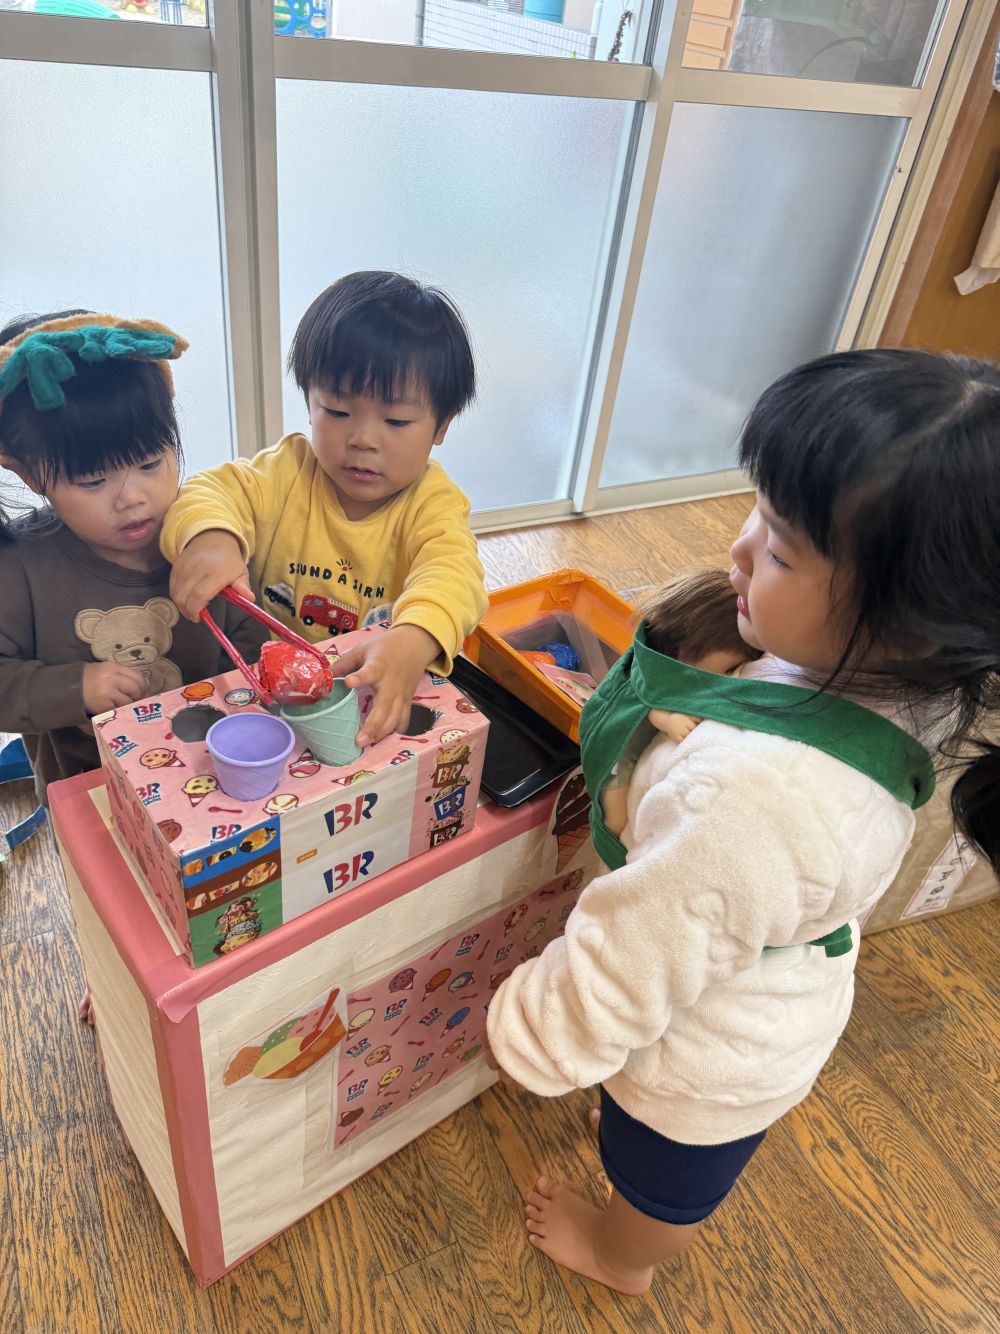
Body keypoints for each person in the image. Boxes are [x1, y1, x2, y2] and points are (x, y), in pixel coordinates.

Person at [485, 348, 1000, 1295]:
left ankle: (618, 1258)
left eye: (781, 550)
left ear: (910, 625)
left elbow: (632, 957)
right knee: (647, 1127)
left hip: (711, 1061)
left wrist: (535, 1030)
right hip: (755, 970)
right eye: (757, 510)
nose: (738, 549)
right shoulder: (906, 676)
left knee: (664, 1187)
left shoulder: (755, 798)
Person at [162, 271, 488, 747]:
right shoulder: (289, 470)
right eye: (336, 411)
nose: (361, 439)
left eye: (396, 420)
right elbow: (211, 490)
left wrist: (414, 638)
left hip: (362, 695)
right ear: (310, 401)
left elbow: (454, 575)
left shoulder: (431, 503)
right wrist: (213, 537)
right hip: (260, 688)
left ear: (441, 426)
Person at [0, 310, 267, 808]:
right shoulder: (20, 567)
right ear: (28, 473)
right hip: (91, 797)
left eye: (150, 464)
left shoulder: (201, 533)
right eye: (93, 481)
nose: (132, 498)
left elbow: (249, 635)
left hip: (214, 779)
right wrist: (73, 688)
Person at [598, 567, 760, 837]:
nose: (731, 676)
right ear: (684, 654)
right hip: (622, 759)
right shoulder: (663, 672)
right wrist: (670, 719)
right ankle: (607, 832)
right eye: (728, 669)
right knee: (614, 812)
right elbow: (651, 704)